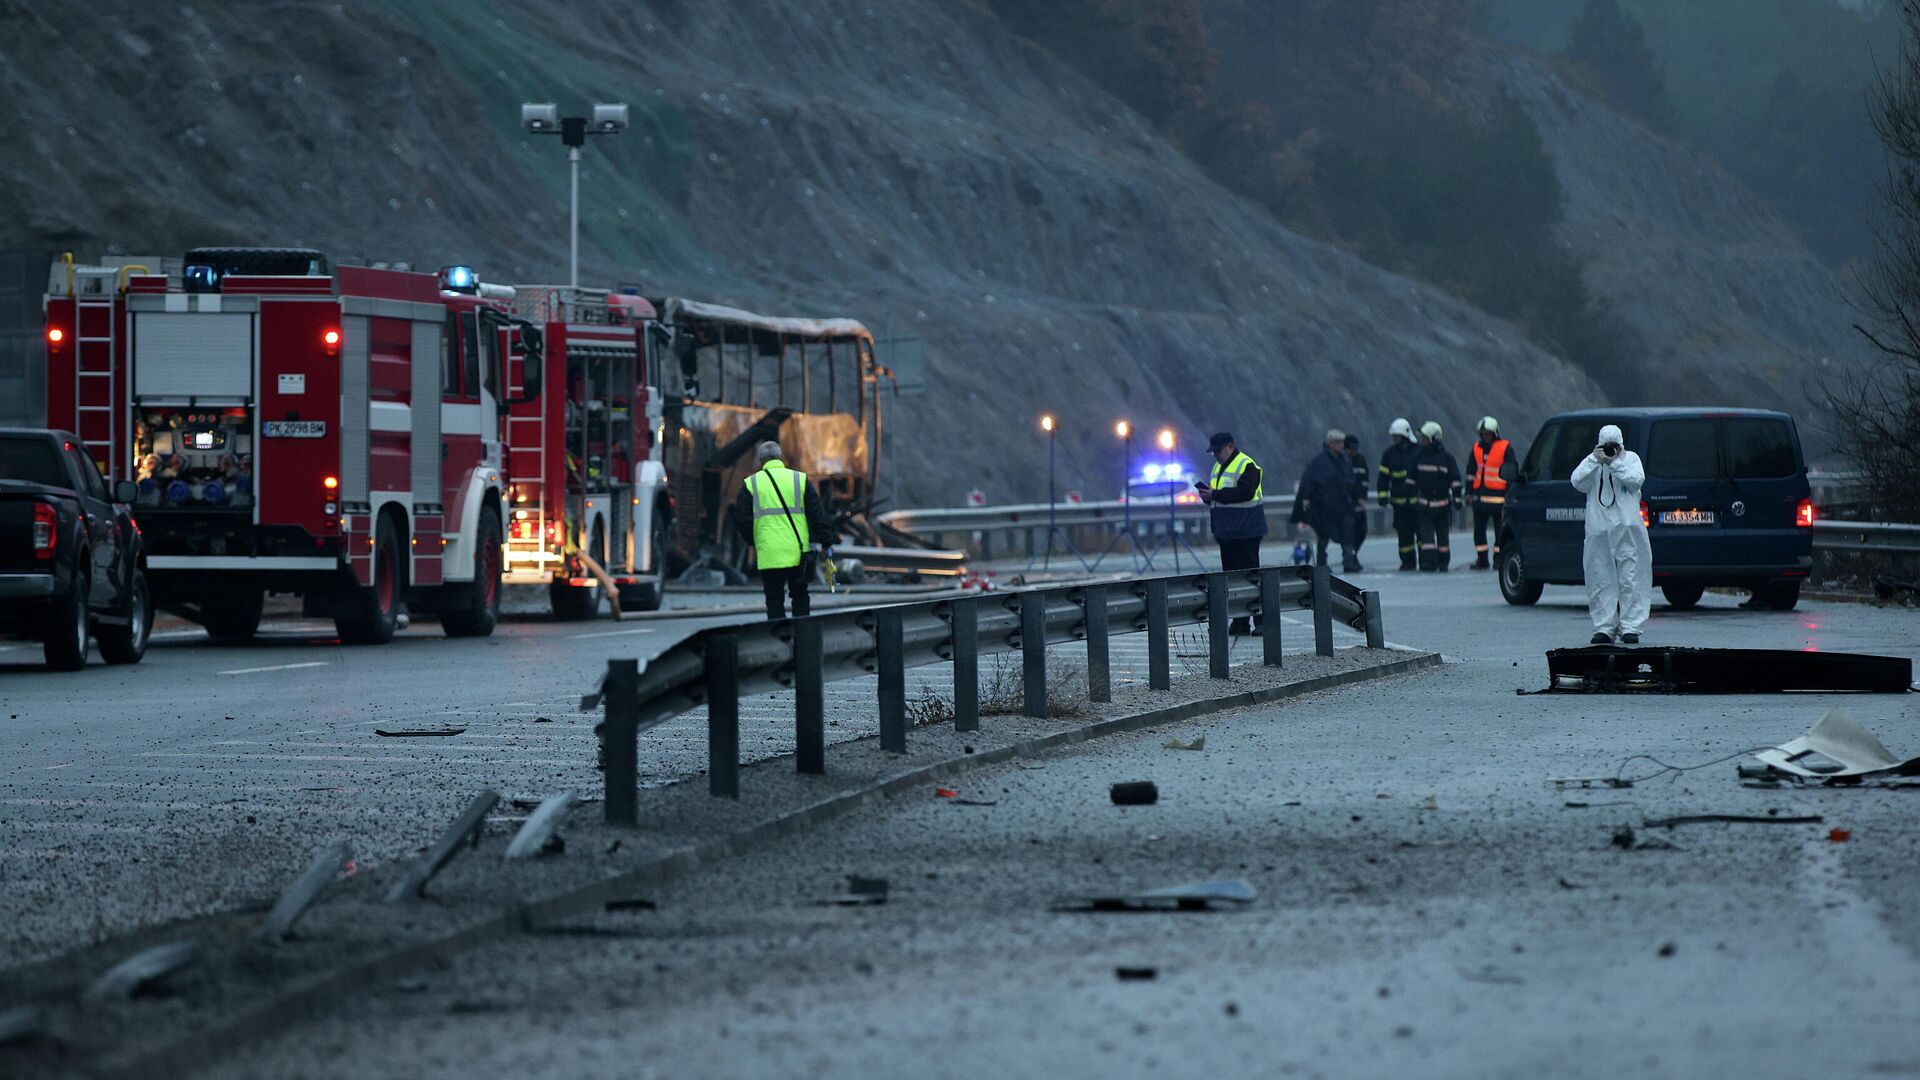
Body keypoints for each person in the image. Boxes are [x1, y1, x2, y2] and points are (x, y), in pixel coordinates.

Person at [729, 440, 834, 620]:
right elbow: (817, 513)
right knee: (800, 596)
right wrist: (827, 542)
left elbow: (741, 518)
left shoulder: (751, 484)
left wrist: (753, 541)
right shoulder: (799, 479)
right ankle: (803, 639)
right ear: (781, 458)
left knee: (774, 599)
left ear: (761, 460)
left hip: (769, 553)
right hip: (798, 552)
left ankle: (779, 639)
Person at [1570, 423, 1651, 644]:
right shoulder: (1593, 463)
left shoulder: (1630, 460)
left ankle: (1631, 626)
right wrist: (1595, 460)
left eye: (1613, 446)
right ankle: (1604, 627)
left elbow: (1636, 481)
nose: (1609, 450)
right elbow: (1576, 481)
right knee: (1599, 577)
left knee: (1632, 577)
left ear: (1621, 445)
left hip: (1628, 530)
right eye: (1606, 446)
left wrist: (1614, 464)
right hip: (1599, 530)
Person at [1194, 431, 1266, 633]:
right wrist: (1208, 496)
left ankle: (1261, 621)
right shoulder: (1218, 467)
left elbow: (1245, 492)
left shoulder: (1247, 465)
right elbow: (1222, 496)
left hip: (1246, 530)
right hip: (1227, 532)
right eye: (1213, 452)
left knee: (1251, 578)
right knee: (1232, 581)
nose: (1216, 455)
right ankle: (1240, 622)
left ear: (1230, 446)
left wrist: (1215, 494)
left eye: (1218, 451)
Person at [1290, 429, 1360, 572]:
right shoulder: (1319, 461)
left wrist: (1356, 497)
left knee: (1347, 533)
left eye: (1342, 442)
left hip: (1343, 504)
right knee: (1324, 535)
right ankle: (1322, 565)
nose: (1341, 445)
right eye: (1338, 442)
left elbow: (1351, 481)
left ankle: (1349, 562)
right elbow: (1309, 481)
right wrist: (1307, 498)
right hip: (1324, 506)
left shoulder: (1345, 460)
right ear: (1330, 443)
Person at [1467, 416, 1518, 570]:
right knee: (1479, 533)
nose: (1485, 437)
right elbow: (1471, 472)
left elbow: (1511, 471)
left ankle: (1499, 559)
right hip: (1480, 501)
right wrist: (1468, 492)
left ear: (1495, 433)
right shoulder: (1476, 449)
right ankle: (1482, 560)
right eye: (1483, 434)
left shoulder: (1505, 448)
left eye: (1488, 433)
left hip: (1499, 501)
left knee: (1500, 533)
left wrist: (1509, 494)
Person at [1412, 421, 1462, 572]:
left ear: (1435, 438)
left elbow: (1455, 481)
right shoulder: (1419, 456)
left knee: (1443, 538)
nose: (1423, 441)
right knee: (1426, 539)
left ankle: (1443, 563)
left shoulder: (1447, 459)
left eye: (1425, 438)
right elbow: (1411, 479)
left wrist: (1457, 499)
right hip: (1424, 506)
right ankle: (1428, 563)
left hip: (1442, 507)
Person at [1376, 418, 1419, 571]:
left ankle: (1426, 560)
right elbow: (1383, 477)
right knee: (1404, 535)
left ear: (1406, 435)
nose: (1395, 439)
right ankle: (1407, 562)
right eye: (1393, 436)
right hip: (1399, 503)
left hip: (1417, 503)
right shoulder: (1389, 454)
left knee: (1421, 533)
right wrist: (1382, 495)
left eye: (1397, 436)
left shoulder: (1418, 450)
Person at [1343, 432, 1369, 566]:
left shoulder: (1361, 460)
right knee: (1349, 534)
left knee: (1362, 531)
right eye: (1351, 449)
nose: (1353, 452)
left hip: (1360, 504)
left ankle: (1354, 553)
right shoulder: (1342, 461)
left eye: (1355, 449)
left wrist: (1363, 497)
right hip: (1348, 505)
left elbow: (1365, 480)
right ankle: (1349, 559)